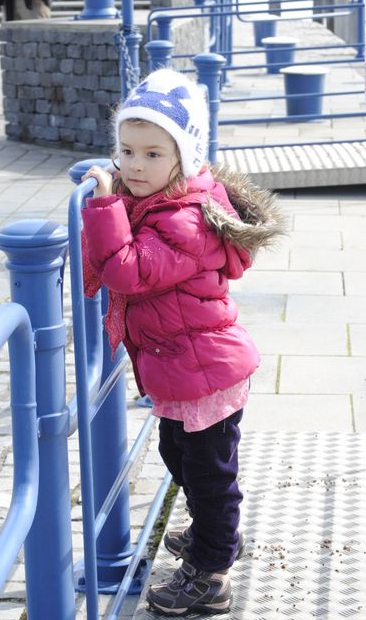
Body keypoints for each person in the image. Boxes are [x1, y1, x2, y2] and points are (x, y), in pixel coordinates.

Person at [80, 68, 284, 616]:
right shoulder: (159, 204)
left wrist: (104, 207)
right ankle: (215, 532)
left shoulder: (185, 220)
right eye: (126, 152)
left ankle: (212, 571)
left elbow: (127, 272)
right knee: (178, 454)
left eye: (152, 154)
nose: (133, 167)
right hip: (182, 367)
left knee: (210, 475)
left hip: (205, 371)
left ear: (184, 158)